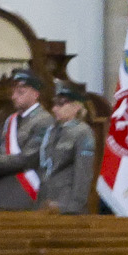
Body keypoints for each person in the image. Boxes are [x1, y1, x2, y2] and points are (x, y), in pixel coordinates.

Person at [0, 69, 49, 210]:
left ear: (35, 94)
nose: (14, 97)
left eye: (21, 92)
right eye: (13, 92)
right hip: (3, 193)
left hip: (26, 195)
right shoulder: (11, 120)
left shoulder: (44, 121)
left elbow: (28, 158)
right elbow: (3, 152)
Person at [38, 82, 96, 215]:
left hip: (66, 204)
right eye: (55, 104)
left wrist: (74, 206)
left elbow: (83, 173)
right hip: (47, 200)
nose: (55, 109)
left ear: (76, 107)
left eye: (61, 104)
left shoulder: (82, 132)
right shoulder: (52, 130)